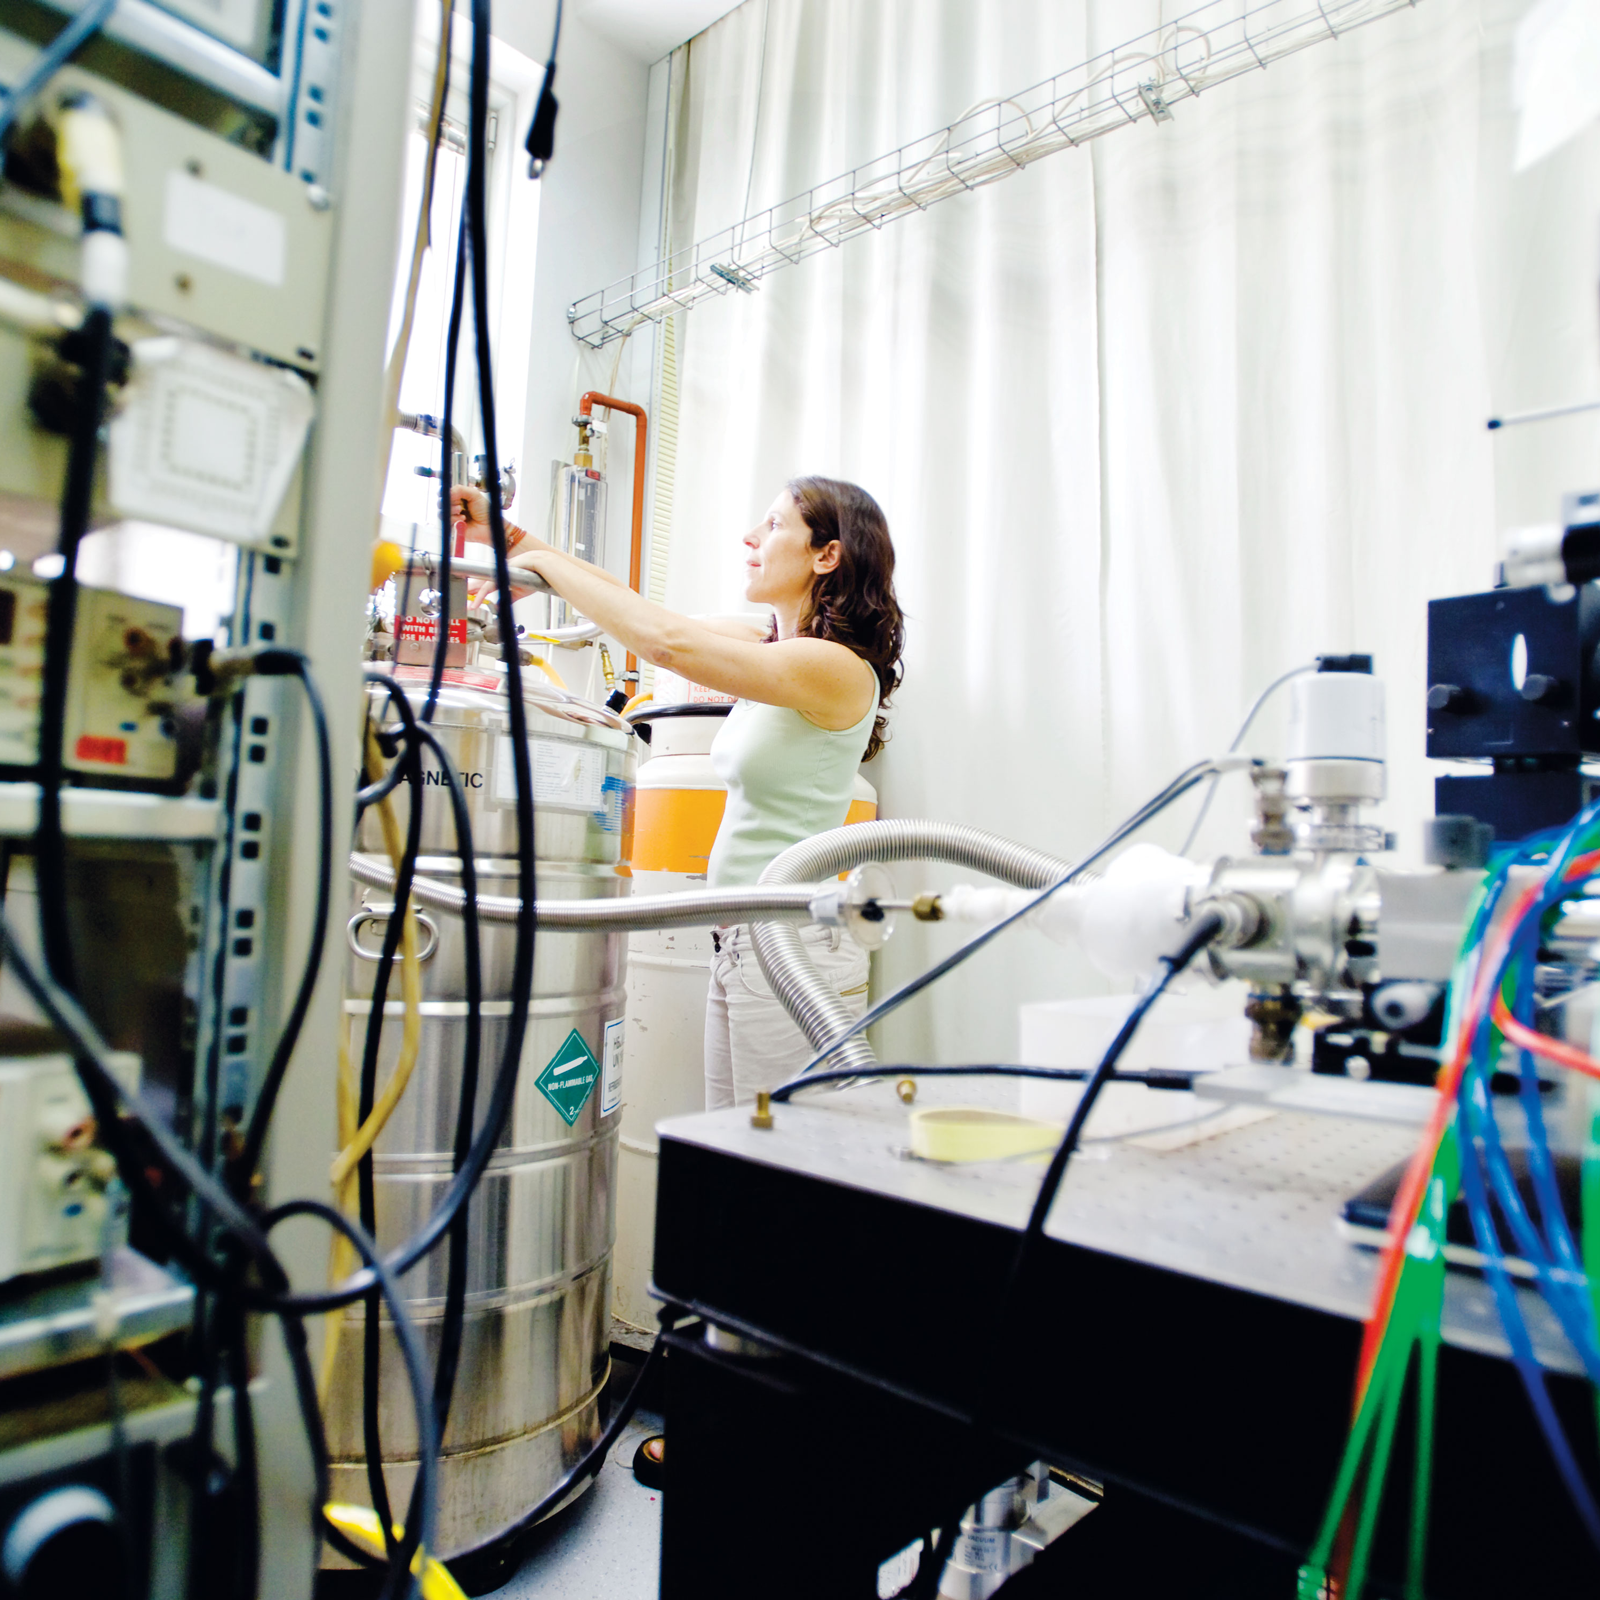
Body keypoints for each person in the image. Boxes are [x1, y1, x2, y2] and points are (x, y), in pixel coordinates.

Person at [450, 474, 905, 1108]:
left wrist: (528, 558)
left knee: (781, 1167)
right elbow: (642, 611)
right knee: (734, 1153)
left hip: (794, 944)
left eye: (773, 526)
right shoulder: (774, 645)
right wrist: (513, 540)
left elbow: (664, 643)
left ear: (827, 554)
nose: (750, 536)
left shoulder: (832, 667)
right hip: (746, 938)